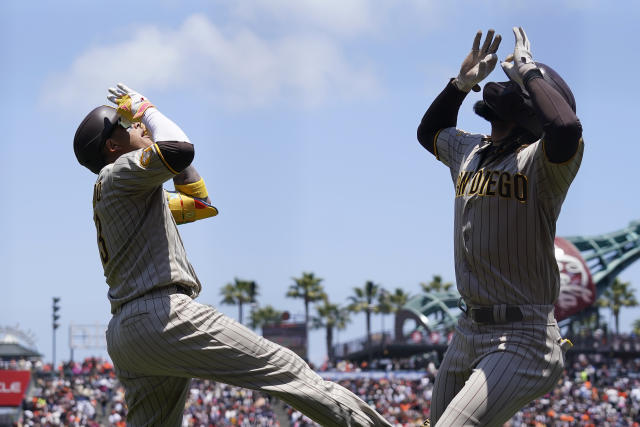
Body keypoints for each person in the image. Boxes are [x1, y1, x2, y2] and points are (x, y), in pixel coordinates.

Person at [73, 83, 392, 427]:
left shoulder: (127, 192)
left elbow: (199, 204)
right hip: (161, 314)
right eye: (126, 125)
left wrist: (157, 148)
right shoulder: (117, 174)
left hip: (128, 332)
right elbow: (179, 149)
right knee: (286, 370)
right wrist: (148, 110)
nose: (136, 125)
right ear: (112, 145)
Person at [416, 27, 583, 426]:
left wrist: (530, 73)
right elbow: (429, 133)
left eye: (513, 83)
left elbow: (563, 128)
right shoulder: (470, 150)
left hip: (523, 338)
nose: (503, 78)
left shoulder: (542, 164)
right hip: (468, 329)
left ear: (529, 108)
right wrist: (459, 85)